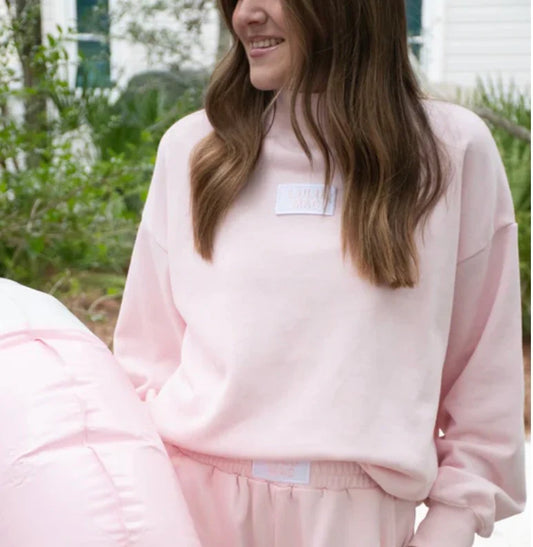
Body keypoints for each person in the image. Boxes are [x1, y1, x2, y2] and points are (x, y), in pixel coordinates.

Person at [113, 0, 527, 545]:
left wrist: (452, 521)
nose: (244, 15)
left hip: (358, 521)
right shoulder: (195, 150)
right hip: (191, 511)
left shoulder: (448, 152)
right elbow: (146, 362)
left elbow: (484, 377)